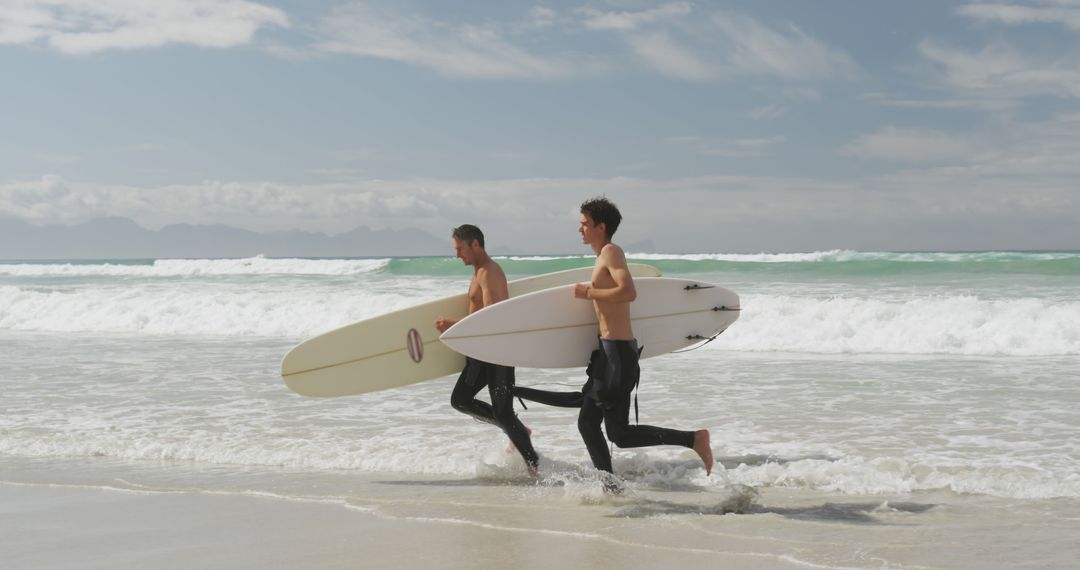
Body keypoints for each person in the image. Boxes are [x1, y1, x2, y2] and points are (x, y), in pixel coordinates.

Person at [515, 198, 712, 489]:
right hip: (610, 353)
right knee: (616, 433)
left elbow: (628, 291)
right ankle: (690, 441)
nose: (579, 229)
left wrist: (590, 292)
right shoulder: (602, 257)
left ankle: (613, 484)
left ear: (601, 226)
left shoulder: (611, 252)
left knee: (591, 423)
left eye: (584, 223)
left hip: (618, 355)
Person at [435, 224, 539, 476]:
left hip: (496, 351)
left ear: (476, 244)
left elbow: (491, 317)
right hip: (480, 351)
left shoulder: (489, 273)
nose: (457, 254)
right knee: (460, 400)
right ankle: (516, 429)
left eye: (460, 249)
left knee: (503, 412)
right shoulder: (478, 271)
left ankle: (534, 466)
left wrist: (452, 325)